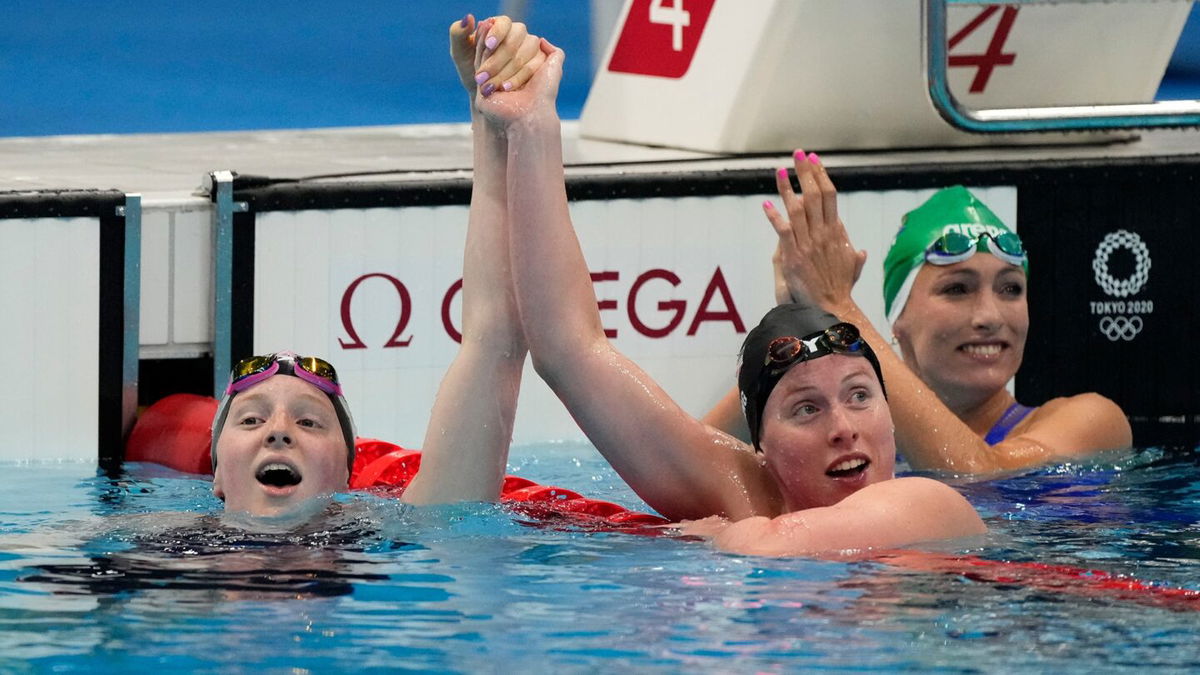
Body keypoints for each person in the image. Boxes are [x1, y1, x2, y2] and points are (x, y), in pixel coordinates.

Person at [478, 36, 984, 555]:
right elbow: (569, 353)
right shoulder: (754, 495)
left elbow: (765, 548)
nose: (843, 429)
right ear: (760, 447)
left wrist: (722, 530)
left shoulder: (926, 504)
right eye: (806, 410)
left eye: (859, 396)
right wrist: (532, 126)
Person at [208, 14, 547, 516]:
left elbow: (496, 339)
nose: (278, 429)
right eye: (252, 420)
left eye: (310, 422)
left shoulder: (392, 542)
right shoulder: (150, 555)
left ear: (348, 472)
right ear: (215, 472)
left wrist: (493, 121)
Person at [744, 155, 1131, 475]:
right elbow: (700, 477)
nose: (990, 316)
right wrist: (800, 321)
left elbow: (979, 476)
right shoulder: (852, 438)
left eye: (1010, 288)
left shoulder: (1092, 420)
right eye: (957, 289)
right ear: (898, 319)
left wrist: (836, 305)